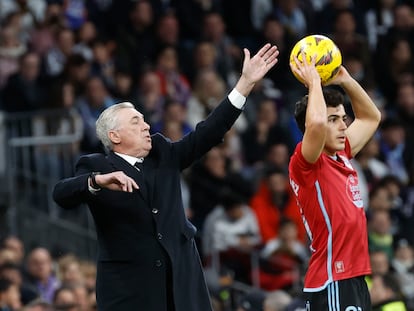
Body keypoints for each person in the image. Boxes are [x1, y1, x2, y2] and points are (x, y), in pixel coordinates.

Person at [52, 43, 279, 311]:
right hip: (132, 294)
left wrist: (244, 84)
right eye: (136, 122)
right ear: (114, 136)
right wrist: (97, 181)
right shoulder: (95, 165)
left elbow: (208, 132)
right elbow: (61, 194)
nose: (146, 125)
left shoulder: (164, 154)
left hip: (182, 288)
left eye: (144, 119)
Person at [288, 53, 382, 311]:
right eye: (334, 120)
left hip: (353, 277)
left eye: (343, 118)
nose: (343, 126)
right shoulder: (306, 162)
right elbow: (316, 123)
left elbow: (371, 118)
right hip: (332, 279)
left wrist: (346, 80)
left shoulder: (341, 155)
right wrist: (314, 83)